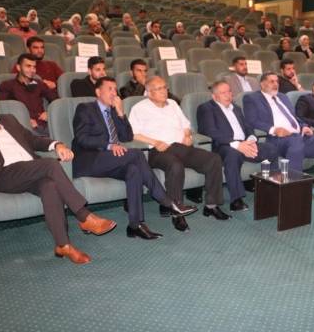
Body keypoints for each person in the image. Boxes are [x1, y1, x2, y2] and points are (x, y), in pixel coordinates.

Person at [0, 85, 117, 264]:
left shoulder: (8, 119)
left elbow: (32, 139)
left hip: (28, 170)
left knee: (49, 186)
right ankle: (83, 215)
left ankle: (63, 245)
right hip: (2, 175)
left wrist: (56, 145)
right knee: (50, 164)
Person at [72, 76, 197, 239]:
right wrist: (109, 145)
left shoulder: (114, 111)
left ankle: (135, 225)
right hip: (89, 160)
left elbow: (127, 137)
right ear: (98, 92)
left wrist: (120, 113)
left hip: (111, 159)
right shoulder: (85, 108)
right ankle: (167, 201)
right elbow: (82, 138)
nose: (114, 93)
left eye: (115, 89)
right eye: (109, 89)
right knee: (137, 154)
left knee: (133, 171)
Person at [129, 77, 229, 228]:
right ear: (149, 92)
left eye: (165, 87)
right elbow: (133, 134)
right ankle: (177, 212)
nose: (164, 91)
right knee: (175, 165)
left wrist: (187, 135)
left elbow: (186, 125)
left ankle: (211, 206)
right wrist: (155, 142)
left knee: (213, 159)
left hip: (180, 147)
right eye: (159, 89)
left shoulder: (173, 104)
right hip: (158, 151)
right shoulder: (139, 108)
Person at [243, 72, 314, 200]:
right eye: (271, 81)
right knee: (296, 144)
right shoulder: (252, 98)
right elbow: (251, 120)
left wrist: (303, 126)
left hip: (298, 136)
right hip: (278, 139)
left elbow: (294, 117)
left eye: (277, 81)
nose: (275, 84)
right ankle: (292, 191)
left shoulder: (283, 97)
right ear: (262, 84)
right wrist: (274, 129)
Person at [197, 80, 279, 211]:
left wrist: (251, 139)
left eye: (229, 91)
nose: (228, 95)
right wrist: (236, 144)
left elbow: (248, 127)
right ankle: (236, 199)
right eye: (223, 93)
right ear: (214, 96)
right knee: (233, 155)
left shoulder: (236, 108)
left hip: (245, 143)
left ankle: (272, 187)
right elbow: (209, 131)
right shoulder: (206, 108)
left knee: (272, 149)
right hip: (224, 146)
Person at [0, 53, 57, 136]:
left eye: (34, 67)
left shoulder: (39, 84)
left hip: (43, 125)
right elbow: (1, 108)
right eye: (28, 66)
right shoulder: (7, 85)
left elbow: (56, 101)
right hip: (23, 127)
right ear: (18, 67)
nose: (32, 70)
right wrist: (24, 120)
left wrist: (49, 112)